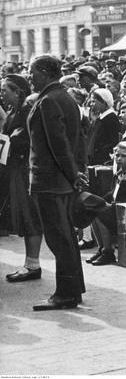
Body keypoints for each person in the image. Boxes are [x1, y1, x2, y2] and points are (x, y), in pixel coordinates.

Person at [27, 55, 87, 310]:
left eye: (32, 72)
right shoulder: (65, 97)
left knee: (58, 239)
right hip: (61, 181)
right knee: (65, 238)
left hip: (50, 181)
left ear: (44, 72)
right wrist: (75, 173)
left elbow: (58, 144)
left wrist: (74, 174)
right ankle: (73, 289)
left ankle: (66, 293)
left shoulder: (49, 100)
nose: (30, 77)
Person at [2, 75, 43, 283]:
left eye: (5, 90)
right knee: (24, 214)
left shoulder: (27, 109)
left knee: (30, 214)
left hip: (24, 168)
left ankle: (33, 264)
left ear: (17, 91)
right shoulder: (11, 111)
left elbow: (29, 137)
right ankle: (30, 263)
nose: (2, 93)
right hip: (14, 167)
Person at [87, 142, 126, 266]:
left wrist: (109, 204)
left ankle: (108, 252)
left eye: (123, 156)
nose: (119, 159)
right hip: (115, 206)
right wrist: (100, 200)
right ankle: (102, 248)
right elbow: (113, 192)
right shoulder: (119, 172)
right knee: (91, 210)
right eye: (117, 155)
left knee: (100, 213)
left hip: (125, 209)